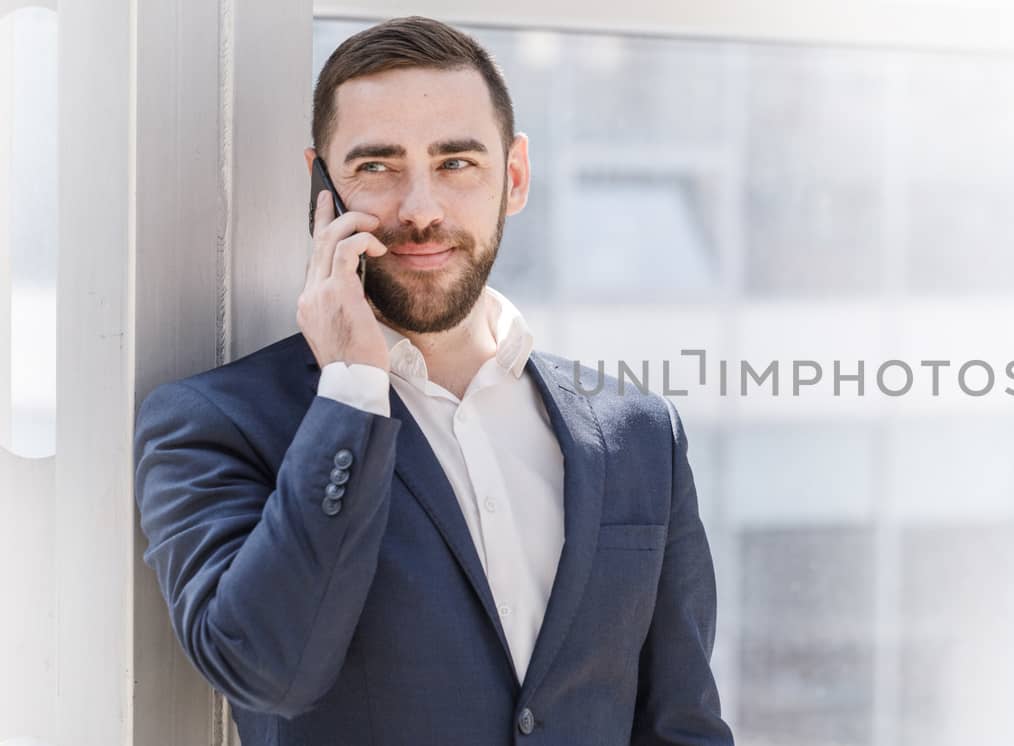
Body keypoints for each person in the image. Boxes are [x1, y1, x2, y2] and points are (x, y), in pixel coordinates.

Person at [132, 16, 734, 745]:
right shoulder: (214, 423)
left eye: (456, 163)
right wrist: (351, 388)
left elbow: (685, 727)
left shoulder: (640, 433)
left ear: (513, 177)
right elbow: (268, 672)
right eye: (377, 167)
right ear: (321, 188)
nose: (421, 209)